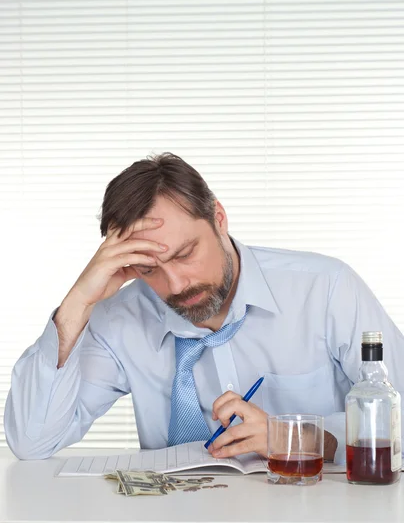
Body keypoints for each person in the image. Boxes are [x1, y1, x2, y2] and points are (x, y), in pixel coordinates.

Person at [5, 153, 404, 464]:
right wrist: (79, 300)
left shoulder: (325, 289)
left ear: (219, 218)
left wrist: (299, 436)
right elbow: (32, 441)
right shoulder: (119, 319)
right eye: (148, 269)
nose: (176, 286)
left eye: (185, 254)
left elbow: (400, 413)